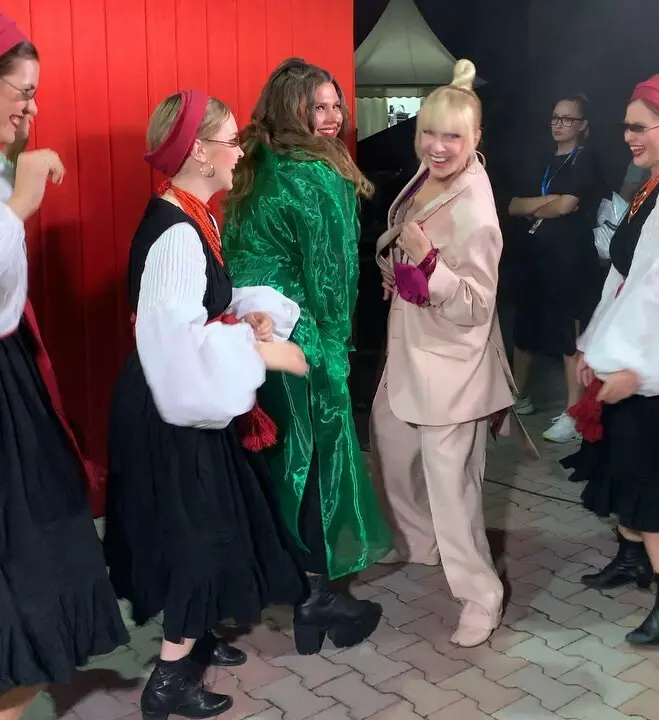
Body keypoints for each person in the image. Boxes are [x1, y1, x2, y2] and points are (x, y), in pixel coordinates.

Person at [103, 89, 309, 719]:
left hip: (182, 390)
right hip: (172, 400)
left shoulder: (196, 216)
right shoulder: (176, 234)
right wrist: (265, 352)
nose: (239, 151)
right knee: (195, 529)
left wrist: (248, 315)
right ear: (198, 151)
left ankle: (199, 636)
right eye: (230, 140)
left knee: (217, 516)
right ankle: (168, 680)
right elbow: (177, 343)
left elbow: (201, 307)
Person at [222, 58, 392, 655]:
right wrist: (337, 352)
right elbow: (332, 277)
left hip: (252, 336)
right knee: (317, 465)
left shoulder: (252, 163)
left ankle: (296, 594)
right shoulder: (318, 174)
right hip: (303, 341)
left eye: (335, 105)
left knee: (278, 461)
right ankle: (319, 599)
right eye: (316, 106)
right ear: (289, 108)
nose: (331, 116)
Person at [0, 12, 129, 719]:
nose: (32, 107)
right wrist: (19, 204)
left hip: (13, 373)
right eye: (22, 90)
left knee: (44, 547)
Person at [561, 75, 659, 645]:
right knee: (626, 455)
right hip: (646, 336)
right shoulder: (656, 181)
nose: (628, 135)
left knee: (653, 469)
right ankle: (633, 560)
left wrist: (637, 367)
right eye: (625, 125)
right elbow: (625, 275)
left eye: (639, 126)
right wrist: (595, 344)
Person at [370, 60, 524, 648]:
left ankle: (481, 595)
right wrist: (398, 268)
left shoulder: (476, 210)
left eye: (452, 137)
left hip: (452, 363)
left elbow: (477, 304)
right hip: (410, 347)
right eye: (428, 133)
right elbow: (406, 235)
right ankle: (419, 541)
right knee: (389, 443)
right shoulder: (429, 173)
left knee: (452, 487)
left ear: (476, 138)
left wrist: (427, 265)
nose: (436, 146)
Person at [509, 94, 607, 443]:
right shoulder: (542, 159)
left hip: (571, 259)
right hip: (536, 256)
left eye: (567, 119)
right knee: (526, 324)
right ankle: (519, 398)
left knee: (569, 332)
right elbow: (513, 204)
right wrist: (548, 202)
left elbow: (566, 206)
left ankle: (573, 413)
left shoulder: (586, 159)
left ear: (583, 125)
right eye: (555, 117)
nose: (558, 124)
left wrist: (541, 206)